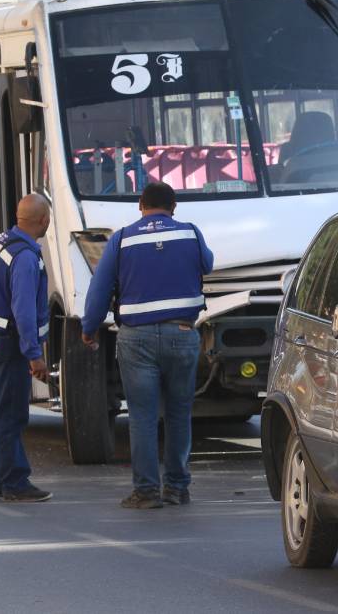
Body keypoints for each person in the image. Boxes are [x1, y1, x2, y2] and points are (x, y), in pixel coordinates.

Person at [81, 182, 214, 510]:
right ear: (174, 206)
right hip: (182, 333)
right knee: (179, 414)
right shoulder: (191, 233)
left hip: (136, 339)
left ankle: (146, 491)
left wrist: (89, 328)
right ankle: (177, 488)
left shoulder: (122, 239)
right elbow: (207, 264)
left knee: (142, 416)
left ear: (140, 206)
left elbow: (100, 289)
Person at [0, 194, 52, 502]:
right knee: (11, 415)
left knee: (3, 412)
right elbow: (23, 311)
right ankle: (15, 482)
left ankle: (0, 479)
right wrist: (34, 355)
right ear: (43, 221)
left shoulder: (0, 242)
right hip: (10, 344)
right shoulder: (25, 257)